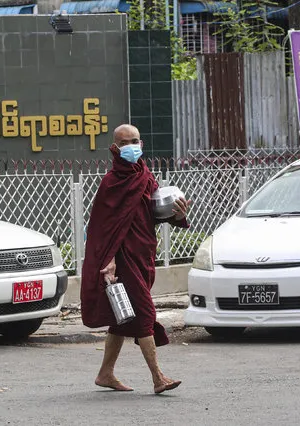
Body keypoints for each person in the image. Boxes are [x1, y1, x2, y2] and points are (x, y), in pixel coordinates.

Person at [80, 124, 192, 394]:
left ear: (141, 144)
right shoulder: (111, 183)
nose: (131, 146)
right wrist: (108, 260)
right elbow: (102, 229)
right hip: (122, 261)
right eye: (125, 142)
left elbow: (154, 213)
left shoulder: (145, 175)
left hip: (144, 256)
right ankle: (158, 377)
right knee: (144, 314)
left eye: (135, 141)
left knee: (121, 320)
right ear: (115, 148)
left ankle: (105, 373)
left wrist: (177, 214)